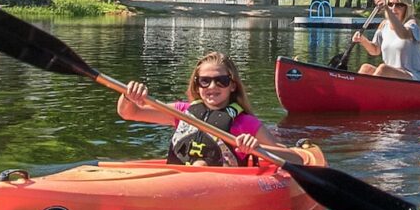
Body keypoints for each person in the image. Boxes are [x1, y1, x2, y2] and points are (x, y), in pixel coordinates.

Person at [117, 52, 310, 166]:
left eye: (221, 81)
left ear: (232, 85)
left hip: (223, 187)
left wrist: (257, 149)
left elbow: (296, 159)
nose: (212, 87)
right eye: (205, 81)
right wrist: (128, 96)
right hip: (179, 179)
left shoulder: (247, 124)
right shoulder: (181, 112)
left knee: (200, 166)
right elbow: (129, 113)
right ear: (197, 85)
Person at [351, 0, 420, 81]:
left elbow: (403, 34)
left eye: (399, 5)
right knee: (366, 68)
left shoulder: (413, 23)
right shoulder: (384, 25)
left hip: (413, 76)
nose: (393, 8)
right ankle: (356, 91)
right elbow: (375, 50)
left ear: (407, 7)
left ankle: (367, 92)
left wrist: (387, 9)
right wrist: (362, 40)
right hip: (391, 77)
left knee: (383, 68)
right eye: (390, 4)